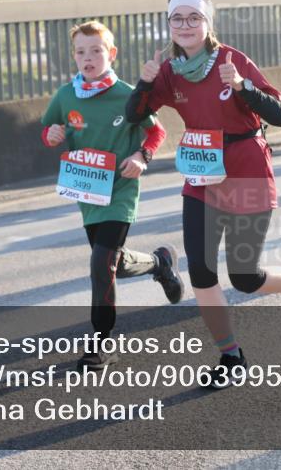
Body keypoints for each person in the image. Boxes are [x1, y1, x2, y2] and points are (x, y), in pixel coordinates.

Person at [126, 0, 281, 388]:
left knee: (245, 276)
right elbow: (134, 115)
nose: (185, 25)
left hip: (246, 168)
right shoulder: (167, 69)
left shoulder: (233, 60)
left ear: (207, 23)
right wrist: (142, 84)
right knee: (201, 270)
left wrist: (241, 87)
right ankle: (231, 356)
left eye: (193, 18)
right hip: (201, 175)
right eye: (177, 18)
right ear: (169, 25)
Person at [41, 21, 183, 369]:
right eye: (80, 52)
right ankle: (159, 262)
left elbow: (157, 131)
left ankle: (101, 342)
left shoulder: (126, 95)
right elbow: (47, 130)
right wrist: (54, 134)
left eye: (96, 51)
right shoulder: (65, 96)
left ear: (111, 54)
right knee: (111, 266)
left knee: (101, 263)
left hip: (120, 190)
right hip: (87, 192)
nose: (87, 58)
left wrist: (141, 156)